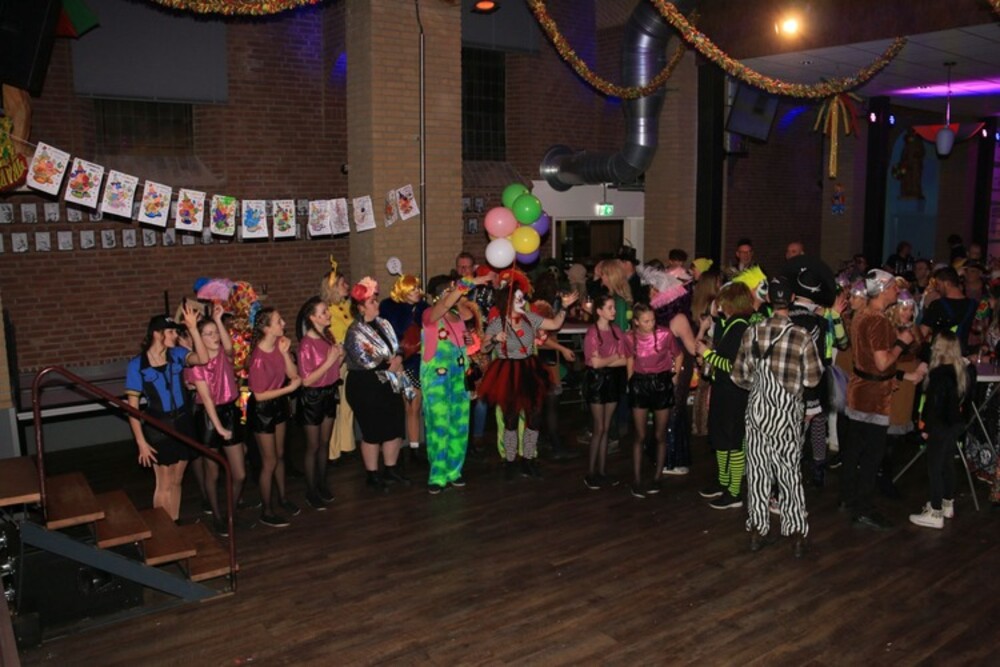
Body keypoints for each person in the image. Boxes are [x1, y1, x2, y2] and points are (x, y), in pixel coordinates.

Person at [732, 277, 823, 558]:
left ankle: (758, 530)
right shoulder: (801, 335)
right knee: (789, 472)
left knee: (758, 471)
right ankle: (796, 533)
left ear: (769, 299)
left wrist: (759, 386)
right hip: (786, 413)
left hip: (758, 409)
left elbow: (739, 376)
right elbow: (813, 379)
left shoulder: (752, 331)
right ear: (792, 299)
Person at [843, 269, 926, 531]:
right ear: (880, 290)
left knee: (855, 448)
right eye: (891, 287)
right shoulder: (878, 321)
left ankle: (849, 498)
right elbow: (882, 363)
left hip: (859, 390)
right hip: (873, 396)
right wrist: (901, 342)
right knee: (873, 454)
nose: (896, 290)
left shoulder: (861, 314)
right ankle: (863, 510)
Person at [481, 280, 578, 479]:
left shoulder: (530, 318)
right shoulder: (497, 323)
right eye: (518, 298)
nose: (522, 301)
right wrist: (495, 339)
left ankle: (528, 459)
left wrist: (564, 308)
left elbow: (555, 324)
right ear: (507, 301)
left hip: (529, 370)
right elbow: (483, 348)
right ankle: (510, 461)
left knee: (534, 418)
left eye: (522, 298)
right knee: (510, 420)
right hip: (507, 372)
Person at [125, 303, 207, 521]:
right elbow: (132, 409)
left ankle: (174, 522)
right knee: (164, 481)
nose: (175, 336)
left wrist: (193, 329)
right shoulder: (137, 365)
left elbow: (203, 359)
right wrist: (141, 443)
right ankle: (161, 528)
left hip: (183, 421)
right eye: (170, 332)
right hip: (158, 425)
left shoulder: (177, 354)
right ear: (156, 334)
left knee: (177, 480)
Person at [421, 273, 491, 493]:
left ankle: (454, 471)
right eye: (452, 290)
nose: (458, 294)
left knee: (459, 426)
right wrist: (470, 282)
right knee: (439, 426)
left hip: (459, 379)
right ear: (442, 294)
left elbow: (465, 354)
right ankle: (437, 475)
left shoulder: (458, 318)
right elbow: (444, 305)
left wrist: (470, 346)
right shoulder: (430, 314)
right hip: (436, 381)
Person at [185, 304, 249, 535]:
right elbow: (207, 399)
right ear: (199, 339)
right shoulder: (196, 366)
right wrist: (219, 428)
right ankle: (217, 517)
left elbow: (230, 348)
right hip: (209, 417)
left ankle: (232, 512)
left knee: (239, 473)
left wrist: (218, 320)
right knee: (212, 472)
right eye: (209, 333)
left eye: (216, 333)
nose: (215, 337)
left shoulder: (222, 353)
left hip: (229, 411)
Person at [344, 277, 410, 492]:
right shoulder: (354, 331)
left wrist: (398, 358)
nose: (377, 303)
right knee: (372, 431)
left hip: (388, 381)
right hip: (366, 385)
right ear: (361, 308)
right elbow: (365, 360)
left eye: (376, 299)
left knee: (394, 426)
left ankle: (390, 470)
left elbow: (398, 345)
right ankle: (372, 475)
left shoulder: (384, 323)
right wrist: (392, 365)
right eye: (372, 301)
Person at [698, 282, 753, 509]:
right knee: (721, 439)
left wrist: (707, 354)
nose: (718, 304)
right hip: (724, 390)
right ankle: (723, 482)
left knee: (733, 441)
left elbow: (731, 366)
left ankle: (734, 492)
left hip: (734, 392)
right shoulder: (731, 324)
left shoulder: (740, 327)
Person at [909, 332, 971, 528]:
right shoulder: (961, 371)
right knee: (947, 464)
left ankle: (935, 513)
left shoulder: (939, 374)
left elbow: (934, 405)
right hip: (955, 424)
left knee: (934, 467)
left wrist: (926, 427)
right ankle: (947, 503)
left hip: (940, 425)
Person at [248, 307, 302, 528]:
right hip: (262, 409)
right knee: (269, 461)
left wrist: (285, 353)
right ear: (267, 328)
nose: (284, 324)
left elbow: (293, 374)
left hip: (278, 403)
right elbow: (259, 395)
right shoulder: (258, 358)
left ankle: (283, 498)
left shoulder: (278, 346)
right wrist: (289, 390)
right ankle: (266, 510)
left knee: (280, 455)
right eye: (279, 321)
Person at [624, 303, 679, 498]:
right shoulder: (629, 337)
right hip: (640, 383)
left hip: (661, 382)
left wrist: (674, 376)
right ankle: (637, 480)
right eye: (646, 321)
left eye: (653, 320)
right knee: (639, 435)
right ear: (636, 322)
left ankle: (657, 477)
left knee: (660, 434)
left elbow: (678, 354)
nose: (651, 324)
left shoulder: (665, 334)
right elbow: (629, 358)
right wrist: (630, 381)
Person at [295, 296, 343, 510]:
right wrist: (330, 360)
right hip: (313, 397)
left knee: (325, 443)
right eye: (323, 312)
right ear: (312, 318)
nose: (328, 314)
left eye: (326, 311)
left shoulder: (327, 336)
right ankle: (310, 490)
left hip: (329, 392)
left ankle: (322, 484)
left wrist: (339, 357)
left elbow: (333, 370)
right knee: (313, 446)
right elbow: (306, 380)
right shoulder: (306, 344)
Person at [379, 275, 429, 464]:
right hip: (398, 364)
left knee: (414, 405)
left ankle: (414, 448)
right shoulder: (390, 308)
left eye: (417, 288)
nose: (417, 292)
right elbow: (389, 334)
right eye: (412, 289)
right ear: (403, 291)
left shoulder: (424, 308)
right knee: (403, 406)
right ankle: (397, 449)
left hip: (418, 362)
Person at [582, 292, 627, 490]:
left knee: (606, 428)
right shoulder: (592, 332)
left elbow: (625, 358)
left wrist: (606, 360)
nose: (614, 311)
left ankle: (601, 471)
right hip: (597, 381)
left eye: (614, 307)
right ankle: (591, 473)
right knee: (599, 428)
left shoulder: (616, 330)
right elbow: (595, 363)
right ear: (599, 311)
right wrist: (613, 358)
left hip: (613, 379)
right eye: (610, 308)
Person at [320, 263, 356, 464]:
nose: (347, 285)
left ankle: (346, 444)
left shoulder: (348, 306)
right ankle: (332, 450)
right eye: (342, 283)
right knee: (336, 405)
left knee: (347, 403)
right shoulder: (327, 310)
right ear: (333, 287)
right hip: (337, 359)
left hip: (350, 359)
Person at [919, 266, 977, 355]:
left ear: (946, 284)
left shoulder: (937, 305)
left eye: (938, 284)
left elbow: (922, 333)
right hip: (962, 355)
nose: (937, 288)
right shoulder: (974, 305)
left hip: (940, 355)